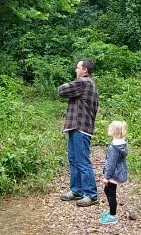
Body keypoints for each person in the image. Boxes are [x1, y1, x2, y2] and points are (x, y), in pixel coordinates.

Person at [58, 58, 99, 207]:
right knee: (74, 159)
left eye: (78, 68)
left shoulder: (84, 82)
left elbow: (62, 90)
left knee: (82, 161)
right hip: (77, 127)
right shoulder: (89, 84)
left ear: (85, 70)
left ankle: (91, 194)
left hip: (80, 128)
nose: (76, 70)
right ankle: (77, 190)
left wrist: (68, 85)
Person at [99, 121, 128, 225]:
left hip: (113, 174)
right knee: (107, 190)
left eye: (110, 129)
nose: (108, 130)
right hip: (118, 172)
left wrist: (106, 177)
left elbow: (111, 164)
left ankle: (113, 216)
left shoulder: (114, 148)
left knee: (111, 193)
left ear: (114, 132)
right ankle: (111, 212)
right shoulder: (122, 144)